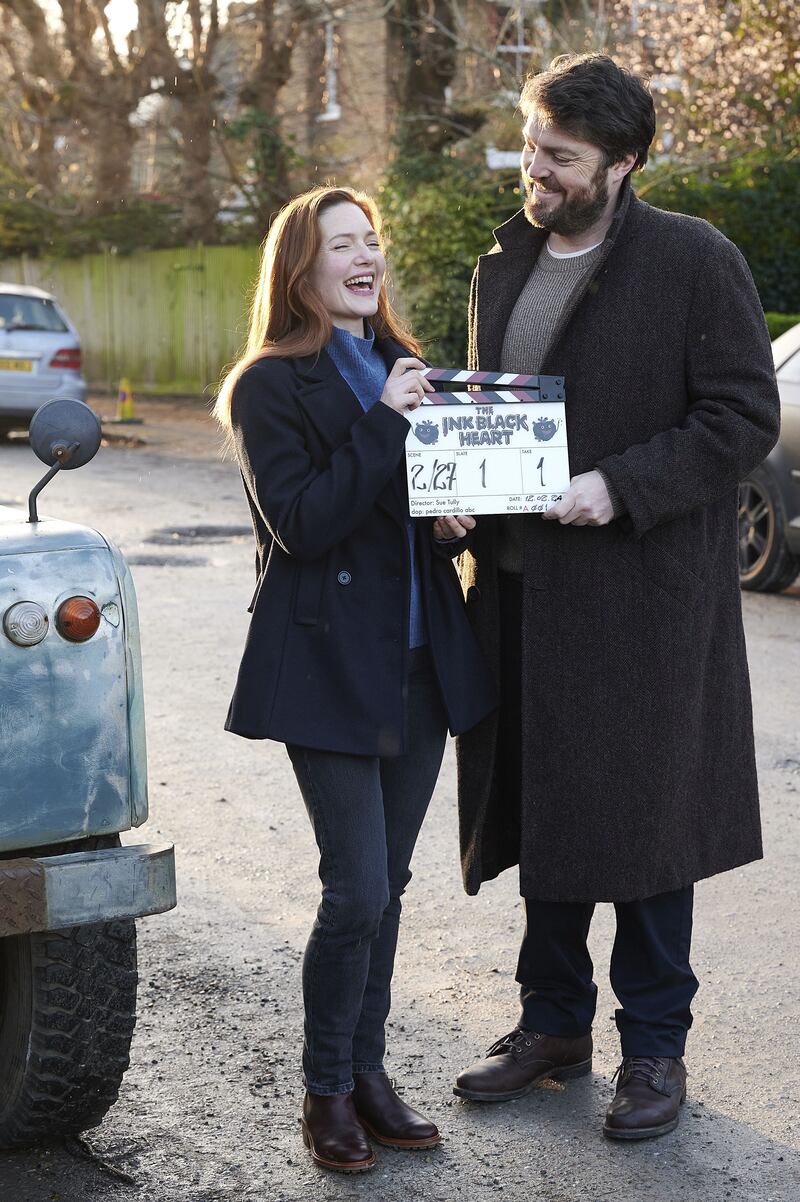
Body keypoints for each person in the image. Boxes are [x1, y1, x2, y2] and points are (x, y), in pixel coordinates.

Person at [437, 54, 780, 1141]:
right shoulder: (501, 262)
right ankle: (550, 1022)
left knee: (641, 828)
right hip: (516, 598)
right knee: (540, 813)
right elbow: (488, 408)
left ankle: (654, 1048)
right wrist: (446, 490)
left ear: (622, 165)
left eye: (560, 158)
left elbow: (739, 418)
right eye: (532, 145)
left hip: (637, 605)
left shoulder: (691, 258)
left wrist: (616, 486)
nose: (533, 171)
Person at [215, 186, 495, 1173]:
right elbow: (302, 521)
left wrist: (444, 515)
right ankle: (326, 1085)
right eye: (341, 243)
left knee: (393, 886)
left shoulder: (400, 367)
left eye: (369, 237)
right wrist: (383, 420)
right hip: (328, 666)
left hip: (418, 662)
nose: (364, 253)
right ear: (301, 269)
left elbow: (394, 506)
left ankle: (369, 1073)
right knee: (357, 888)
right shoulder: (265, 386)